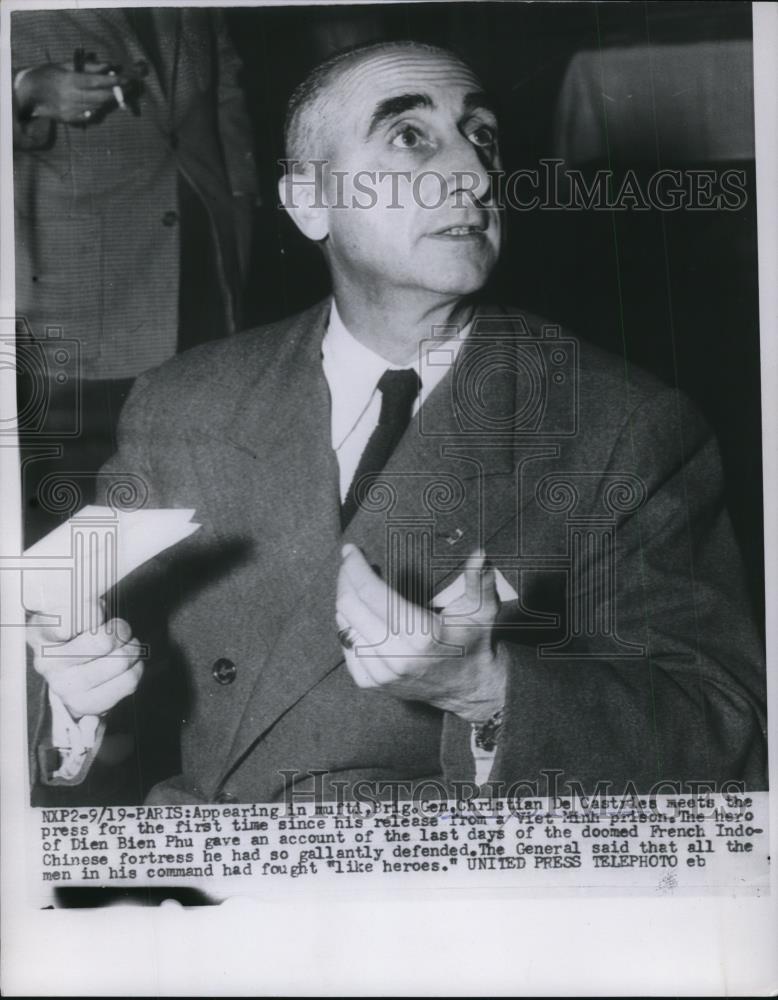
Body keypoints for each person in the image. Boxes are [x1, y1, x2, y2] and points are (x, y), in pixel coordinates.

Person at [26, 41, 767, 805]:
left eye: (481, 138)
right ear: (309, 202)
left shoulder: (624, 428)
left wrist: (488, 688)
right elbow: (51, 629)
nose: (474, 177)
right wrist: (73, 700)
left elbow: (726, 727)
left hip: (449, 889)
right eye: (411, 138)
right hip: (210, 878)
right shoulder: (182, 403)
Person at [13, 7, 259, 542]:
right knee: (85, 511)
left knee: (199, 498)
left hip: (204, 277)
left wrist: (239, 211)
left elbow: (225, 94)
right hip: (81, 296)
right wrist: (24, 91)